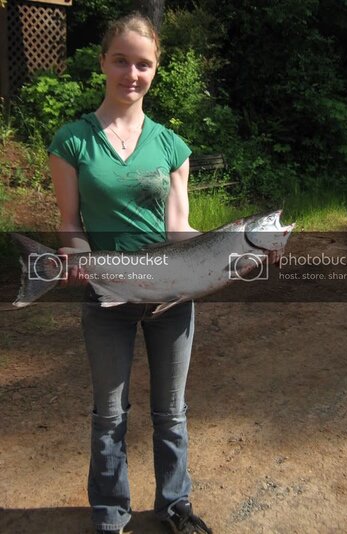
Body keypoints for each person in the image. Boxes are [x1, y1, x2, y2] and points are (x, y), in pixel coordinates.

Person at [48, 12, 212, 534]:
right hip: (106, 295)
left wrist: (232, 259)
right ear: (103, 62)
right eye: (121, 60)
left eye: (143, 64)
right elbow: (70, 224)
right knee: (110, 415)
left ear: (155, 70)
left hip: (171, 297)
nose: (132, 74)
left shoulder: (171, 145)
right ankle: (111, 514)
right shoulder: (72, 140)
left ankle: (173, 506)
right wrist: (74, 256)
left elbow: (180, 229)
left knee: (172, 413)